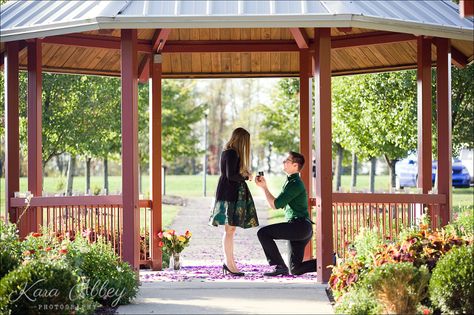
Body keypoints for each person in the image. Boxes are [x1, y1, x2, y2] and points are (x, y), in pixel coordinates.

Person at [255, 151, 317, 276]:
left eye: (286, 161)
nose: (283, 162)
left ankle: (279, 266)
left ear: (295, 165)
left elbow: (275, 204)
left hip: (299, 227)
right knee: (296, 269)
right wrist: (264, 187)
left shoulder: (295, 184)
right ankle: (332, 261)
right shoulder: (291, 182)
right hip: (301, 228)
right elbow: (274, 204)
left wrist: (264, 188)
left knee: (263, 233)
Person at [208, 127, 259, 276]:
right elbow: (231, 176)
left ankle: (230, 262)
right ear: (241, 141)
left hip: (228, 192)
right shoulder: (231, 152)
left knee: (230, 230)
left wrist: (243, 173)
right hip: (229, 194)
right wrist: (246, 177)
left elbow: (231, 173)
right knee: (229, 230)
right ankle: (229, 263)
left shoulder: (229, 152)